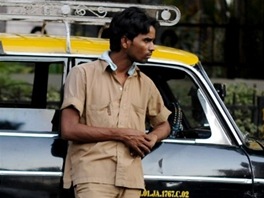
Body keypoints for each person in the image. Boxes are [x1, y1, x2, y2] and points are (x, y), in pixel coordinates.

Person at [60, 6, 171, 198]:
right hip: (93, 176)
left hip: (132, 179)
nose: (152, 47)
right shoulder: (83, 74)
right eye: (146, 40)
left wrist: (151, 138)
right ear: (125, 41)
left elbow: (163, 124)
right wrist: (122, 135)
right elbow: (68, 129)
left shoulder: (145, 83)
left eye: (152, 41)